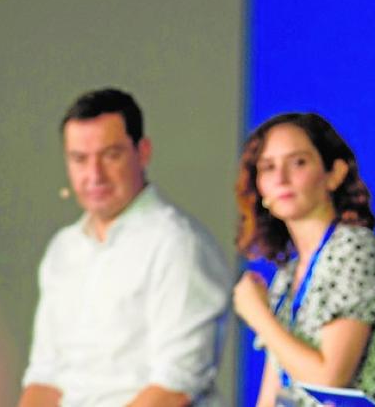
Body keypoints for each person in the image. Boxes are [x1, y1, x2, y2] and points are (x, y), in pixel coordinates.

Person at [20, 88, 232, 406]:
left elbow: (174, 387)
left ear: (143, 152)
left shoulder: (177, 244)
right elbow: (45, 378)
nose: (94, 175)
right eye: (79, 159)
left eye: (111, 155)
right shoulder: (63, 249)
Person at [233, 112, 375, 407]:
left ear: (334, 174)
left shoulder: (356, 249)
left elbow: (327, 380)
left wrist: (260, 317)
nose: (281, 178)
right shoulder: (288, 274)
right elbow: (272, 393)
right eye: (268, 167)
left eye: (298, 162)